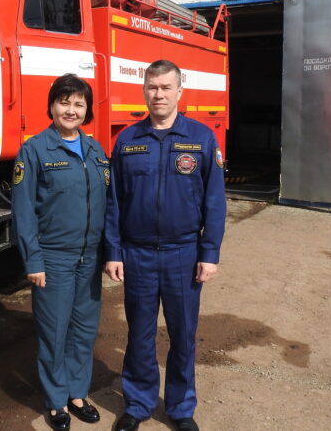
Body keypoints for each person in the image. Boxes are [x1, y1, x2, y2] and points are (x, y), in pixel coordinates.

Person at [104, 60, 226, 431]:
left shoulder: (202, 138)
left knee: (183, 335)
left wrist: (209, 253)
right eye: (152, 87)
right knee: (139, 333)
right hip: (138, 254)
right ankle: (138, 405)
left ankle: (180, 408)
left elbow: (215, 201)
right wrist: (113, 251)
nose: (159, 94)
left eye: (166, 87)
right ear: (144, 90)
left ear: (179, 91)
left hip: (184, 255)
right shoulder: (127, 140)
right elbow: (115, 202)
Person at [11, 74, 109, 431]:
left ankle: (78, 393)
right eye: (64, 102)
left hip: (91, 257)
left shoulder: (97, 151)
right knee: (54, 331)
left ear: (87, 110)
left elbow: (108, 205)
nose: (71, 110)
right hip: (54, 258)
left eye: (78, 104)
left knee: (84, 330)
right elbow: (23, 212)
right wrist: (33, 260)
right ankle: (56, 400)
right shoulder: (35, 150)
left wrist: (112, 253)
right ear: (51, 106)